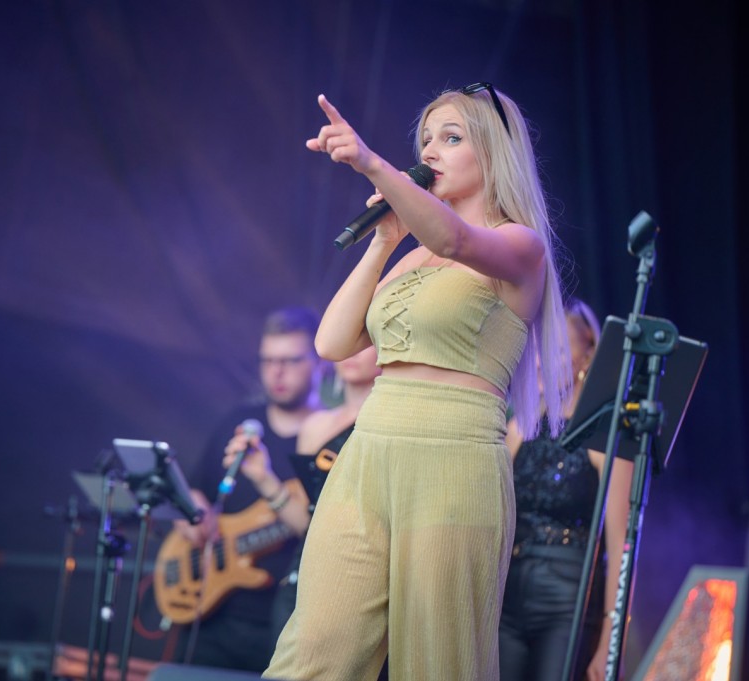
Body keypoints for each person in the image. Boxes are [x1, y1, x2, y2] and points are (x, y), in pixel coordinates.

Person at [264, 83, 572, 681]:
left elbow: (453, 238)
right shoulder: (412, 257)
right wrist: (384, 239)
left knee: (437, 662)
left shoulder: (519, 244)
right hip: (369, 452)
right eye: (425, 139)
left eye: (451, 138)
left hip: (451, 460)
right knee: (314, 650)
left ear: (494, 154)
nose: (429, 152)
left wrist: (371, 162)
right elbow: (332, 343)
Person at [171, 305, 324, 673]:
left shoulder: (330, 438)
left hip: (284, 621)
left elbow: (321, 531)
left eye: (290, 360)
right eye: (268, 360)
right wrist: (191, 518)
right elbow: (194, 492)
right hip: (213, 612)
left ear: (320, 363)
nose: (277, 372)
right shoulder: (238, 422)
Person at [499, 298, 634, 681]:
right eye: (536, 349)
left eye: (556, 350)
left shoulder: (605, 437)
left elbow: (621, 547)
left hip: (568, 601)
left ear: (586, 356)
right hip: (508, 596)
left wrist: (611, 640)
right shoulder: (518, 428)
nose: (540, 361)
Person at [219, 344, 382, 644]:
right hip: (304, 576)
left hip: (357, 576)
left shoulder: (389, 426)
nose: (352, 351)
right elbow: (306, 523)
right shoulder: (314, 426)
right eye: (349, 341)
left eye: (365, 343)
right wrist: (264, 477)